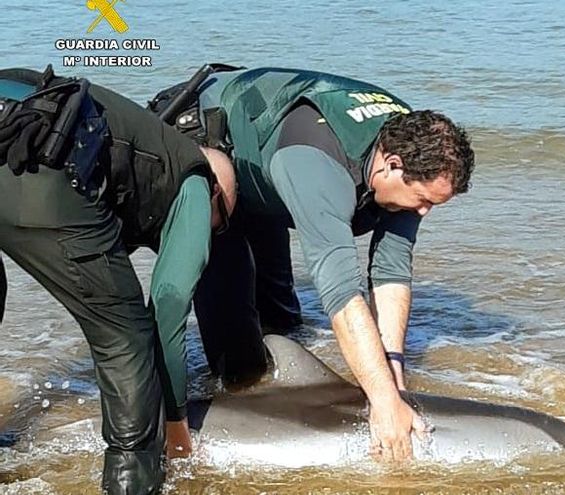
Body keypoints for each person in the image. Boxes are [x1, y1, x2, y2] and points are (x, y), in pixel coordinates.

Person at [151, 66, 475, 462]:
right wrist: (383, 402)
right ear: (391, 164)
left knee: (283, 324)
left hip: (268, 161)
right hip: (211, 154)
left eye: (433, 204)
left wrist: (393, 378)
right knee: (237, 360)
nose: (423, 213)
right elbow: (340, 292)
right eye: (422, 200)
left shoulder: (414, 152)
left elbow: (391, 273)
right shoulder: (316, 167)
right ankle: (192, 427)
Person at [0, 66, 236, 494]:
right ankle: (133, 483)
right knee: (124, 337)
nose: (209, 238)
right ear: (217, 191)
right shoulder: (196, 178)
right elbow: (167, 302)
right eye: (219, 225)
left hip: (14, 114)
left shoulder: (143, 141)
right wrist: (176, 424)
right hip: (42, 160)